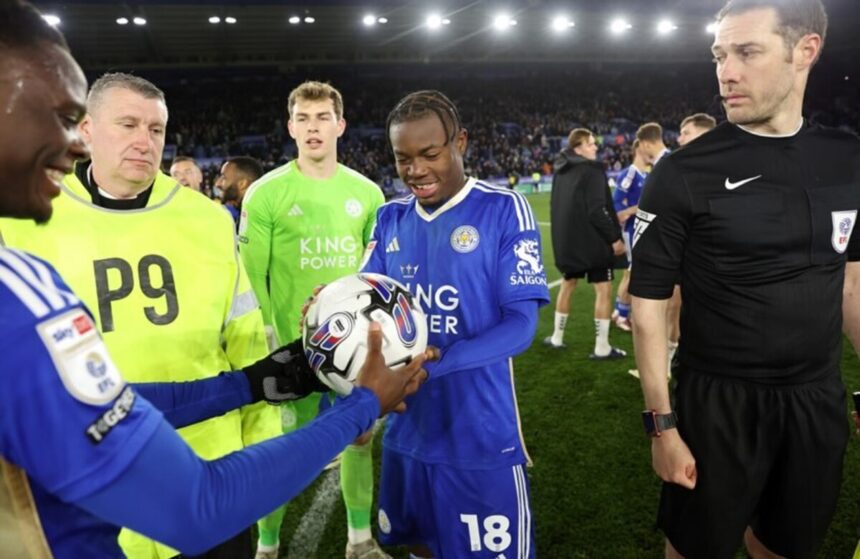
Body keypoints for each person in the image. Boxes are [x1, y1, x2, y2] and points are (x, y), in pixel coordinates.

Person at [0, 2, 427, 557]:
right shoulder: (16, 285)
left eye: (156, 128)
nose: (75, 145)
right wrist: (361, 405)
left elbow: (119, 402)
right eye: (56, 116)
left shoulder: (29, 273)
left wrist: (251, 383)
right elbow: (196, 506)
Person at [0, 71, 282, 559]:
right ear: (85, 130)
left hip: (205, 476)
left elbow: (247, 344)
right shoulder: (23, 219)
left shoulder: (209, 221)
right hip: (87, 486)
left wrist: (262, 455)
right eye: (127, 124)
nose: (143, 141)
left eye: (155, 130)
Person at [630, 1, 860, 557]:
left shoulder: (848, 158)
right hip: (718, 404)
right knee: (696, 548)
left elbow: (853, 285)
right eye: (719, 55)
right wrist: (662, 427)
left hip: (816, 399)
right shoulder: (684, 172)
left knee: (786, 547)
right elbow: (647, 308)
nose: (725, 72)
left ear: (805, 51)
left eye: (747, 52)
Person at [362, 89, 549, 558]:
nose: (415, 171)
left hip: (480, 437)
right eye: (403, 158)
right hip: (407, 433)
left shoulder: (503, 209)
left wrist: (434, 364)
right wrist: (330, 308)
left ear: (460, 142)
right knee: (420, 547)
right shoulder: (389, 217)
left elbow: (521, 324)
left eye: (430, 154)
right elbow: (365, 299)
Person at [239, 81, 387, 559]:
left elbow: (375, 274)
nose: (312, 128)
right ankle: (266, 546)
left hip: (352, 350)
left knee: (359, 441)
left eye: (322, 118)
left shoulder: (366, 194)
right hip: (291, 350)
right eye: (303, 119)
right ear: (290, 127)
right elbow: (250, 278)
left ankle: (360, 541)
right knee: (279, 451)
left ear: (340, 125)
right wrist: (268, 339)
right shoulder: (265, 194)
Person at [545, 128, 626, 358]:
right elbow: (597, 211)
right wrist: (614, 238)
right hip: (593, 243)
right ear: (578, 148)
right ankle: (602, 348)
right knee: (604, 290)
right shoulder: (592, 171)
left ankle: (557, 337)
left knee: (567, 284)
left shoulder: (561, 171)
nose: (596, 147)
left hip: (569, 243)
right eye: (591, 144)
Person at [611, 139, 651, 333]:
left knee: (634, 272)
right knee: (632, 273)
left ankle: (621, 312)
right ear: (639, 148)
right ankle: (621, 315)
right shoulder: (630, 173)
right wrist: (637, 209)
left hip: (644, 231)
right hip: (631, 230)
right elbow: (617, 205)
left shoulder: (648, 174)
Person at [216, 156, 264, 231]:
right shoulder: (241, 215)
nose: (217, 184)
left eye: (224, 178)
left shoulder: (261, 220)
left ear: (242, 184)